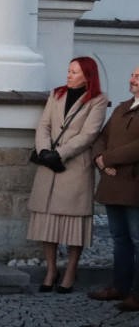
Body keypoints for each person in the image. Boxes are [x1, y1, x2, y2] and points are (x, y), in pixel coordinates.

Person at [27, 57, 107, 293]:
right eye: (68, 71)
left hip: (74, 167)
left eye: (74, 72)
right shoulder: (56, 94)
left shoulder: (97, 100)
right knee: (47, 220)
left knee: (74, 224)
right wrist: (44, 152)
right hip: (48, 164)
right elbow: (44, 125)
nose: (69, 75)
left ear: (87, 76)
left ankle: (71, 270)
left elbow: (89, 134)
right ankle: (51, 270)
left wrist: (59, 154)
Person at [88, 65, 139, 312]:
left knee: (137, 240)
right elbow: (101, 136)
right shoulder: (121, 107)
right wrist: (99, 158)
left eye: (137, 76)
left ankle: (137, 295)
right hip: (112, 182)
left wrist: (108, 159)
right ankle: (120, 286)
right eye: (132, 74)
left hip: (134, 186)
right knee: (119, 239)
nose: (131, 79)